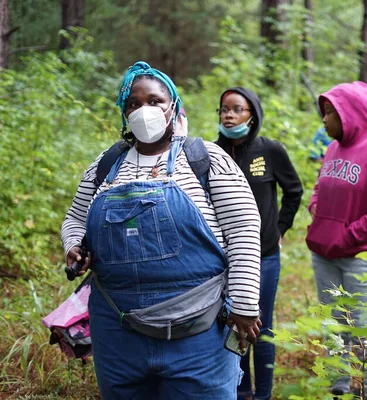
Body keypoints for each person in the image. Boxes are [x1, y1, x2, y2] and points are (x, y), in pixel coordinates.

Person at [61, 61, 262, 399]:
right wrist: (73, 246)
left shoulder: (206, 159)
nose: (144, 111)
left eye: (154, 101)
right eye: (133, 104)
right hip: (118, 332)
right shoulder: (106, 166)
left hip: (199, 333)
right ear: (124, 114)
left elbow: (243, 231)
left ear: (174, 108)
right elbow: (75, 219)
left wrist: (244, 304)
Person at [306, 81, 367, 399]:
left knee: (363, 328)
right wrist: (316, 207)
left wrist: (347, 236)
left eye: (329, 112)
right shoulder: (332, 147)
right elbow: (321, 186)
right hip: (324, 252)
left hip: (361, 254)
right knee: (333, 325)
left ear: (349, 114)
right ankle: (339, 388)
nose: (324, 120)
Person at [214, 87, 303, 400]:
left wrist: (280, 228)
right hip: (223, 258)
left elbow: (294, 191)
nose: (229, 115)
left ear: (252, 115)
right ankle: (241, 390)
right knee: (231, 326)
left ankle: (263, 394)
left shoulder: (270, 150)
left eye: (237, 109)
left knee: (260, 325)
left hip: (264, 256)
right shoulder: (213, 154)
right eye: (224, 109)